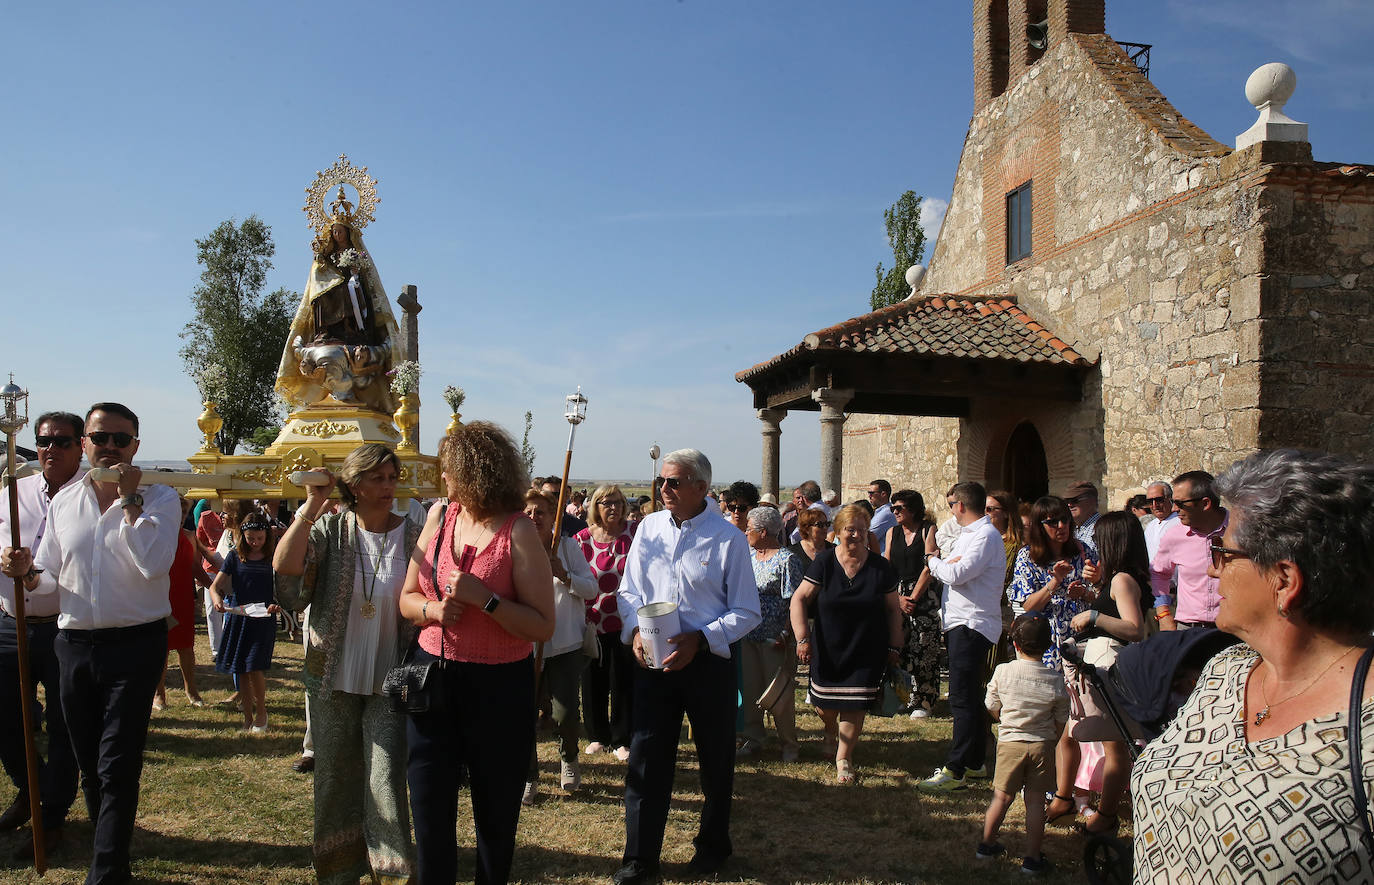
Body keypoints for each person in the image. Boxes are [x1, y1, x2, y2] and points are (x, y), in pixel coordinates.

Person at [1132, 449, 1374, 881]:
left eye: (1223, 552)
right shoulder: (1226, 671)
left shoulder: (1366, 732)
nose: (1211, 569)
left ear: (1284, 580)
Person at [2, 402, 179, 883]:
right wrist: (26, 573)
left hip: (136, 645)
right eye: (100, 438)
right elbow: (51, 577)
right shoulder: (63, 502)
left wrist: (127, 500)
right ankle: (115, 865)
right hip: (74, 643)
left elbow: (153, 564)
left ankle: (102, 875)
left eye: (121, 440)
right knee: (90, 767)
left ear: (136, 446)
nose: (110, 448)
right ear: (86, 444)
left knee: (117, 764)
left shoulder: (161, 498)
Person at [396, 422, 555, 885]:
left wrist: (486, 599)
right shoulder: (439, 516)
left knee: (495, 814)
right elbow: (406, 597)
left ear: (472, 473)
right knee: (428, 808)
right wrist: (432, 609)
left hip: (498, 686)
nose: (443, 480)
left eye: (449, 471)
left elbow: (543, 624)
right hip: (431, 679)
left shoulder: (518, 531)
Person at [612, 449, 760, 885]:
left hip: (707, 665)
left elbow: (746, 610)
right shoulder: (649, 529)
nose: (664, 489)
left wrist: (703, 638)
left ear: (701, 487)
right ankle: (639, 860)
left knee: (715, 760)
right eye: (663, 481)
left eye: (674, 482)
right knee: (647, 759)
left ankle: (713, 847)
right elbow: (629, 591)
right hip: (653, 661)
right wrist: (634, 632)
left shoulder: (727, 538)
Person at [274, 443, 419, 885]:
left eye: (392, 477)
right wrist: (312, 507)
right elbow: (286, 569)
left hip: (394, 676)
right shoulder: (331, 531)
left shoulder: (414, 536)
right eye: (378, 478)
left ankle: (392, 872)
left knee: (385, 777)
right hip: (332, 672)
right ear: (354, 485)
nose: (389, 487)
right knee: (334, 775)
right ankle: (339, 871)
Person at [0, 411, 84, 855]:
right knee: (6, 719)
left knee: (65, 725)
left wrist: (31, 574)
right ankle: (26, 789)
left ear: (80, 447)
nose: (51, 449)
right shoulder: (12, 492)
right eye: (44, 441)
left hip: (63, 626)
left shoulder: (90, 496)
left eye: (63, 442)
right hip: (9, 623)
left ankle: (50, 813)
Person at [1052, 511, 1150, 836]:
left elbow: (1133, 628)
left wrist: (1094, 615)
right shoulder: (1120, 578)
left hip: (1110, 668)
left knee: (1114, 746)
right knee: (1073, 735)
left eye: (1099, 540)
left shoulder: (1122, 579)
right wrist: (1094, 594)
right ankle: (1066, 798)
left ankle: (1105, 816)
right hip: (1101, 668)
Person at [791, 504, 901, 783]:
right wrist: (802, 638)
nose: (856, 535)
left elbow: (892, 609)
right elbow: (800, 599)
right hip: (828, 645)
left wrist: (895, 645)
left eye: (862, 530)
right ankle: (830, 727)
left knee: (855, 704)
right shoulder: (824, 563)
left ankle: (844, 758)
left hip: (867, 647)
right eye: (850, 530)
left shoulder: (880, 567)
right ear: (837, 532)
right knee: (824, 704)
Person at [919, 481, 1005, 792]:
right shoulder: (972, 535)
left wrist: (932, 560)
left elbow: (955, 573)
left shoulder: (984, 536)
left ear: (961, 506)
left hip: (971, 624)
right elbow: (954, 567)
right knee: (968, 696)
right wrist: (945, 563)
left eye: (953, 504)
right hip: (961, 622)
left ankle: (955, 769)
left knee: (962, 699)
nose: (952, 510)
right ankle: (974, 761)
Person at [275, 206, 402, 414]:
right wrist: (319, 258)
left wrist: (353, 273)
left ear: (348, 232)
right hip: (330, 298)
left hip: (352, 295)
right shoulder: (327, 253)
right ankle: (326, 332)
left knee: (347, 292)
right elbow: (317, 276)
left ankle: (350, 330)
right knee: (325, 295)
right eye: (334, 231)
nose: (337, 234)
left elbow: (366, 281)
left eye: (340, 230)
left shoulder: (356, 253)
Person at [977, 614, 1069, 876]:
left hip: (1010, 742)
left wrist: (1003, 719)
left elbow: (991, 704)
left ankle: (986, 844)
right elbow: (1062, 718)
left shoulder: (1003, 671)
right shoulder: (1054, 679)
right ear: (1048, 645)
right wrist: (1052, 736)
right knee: (1036, 802)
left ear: (1014, 643)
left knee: (1001, 797)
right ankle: (1031, 859)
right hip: (1041, 745)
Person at [522, 489, 597, 803]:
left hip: (564, 643)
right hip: (525, 644)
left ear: (553, 517)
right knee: (522, 714)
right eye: (527, 512)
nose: (534, 518)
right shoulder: (515, 549)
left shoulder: (567, 547)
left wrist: (564, 575)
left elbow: (591, 588)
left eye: (540, 512)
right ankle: (528, 776)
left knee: (565, 714)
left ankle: (569, 757)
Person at [737, 506, 803, 761]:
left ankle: (789, 744)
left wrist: (787, 633)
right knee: (751, 691)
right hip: (748, 635)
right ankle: (753, 739)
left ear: (763, 532)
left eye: (749, 529)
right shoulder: (750, 558)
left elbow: (795, 600)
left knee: (779, 694)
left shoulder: (787, 560)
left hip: (775, 638)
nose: (745, 533)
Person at [577, 484, 637, 763]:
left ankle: (621, 737)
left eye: (617, 502)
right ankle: (597, 735)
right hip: (590, 622)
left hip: (624, 622)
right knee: (592, 682)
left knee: (622, 681)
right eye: (606, 503)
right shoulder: (581, 540)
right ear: (595, 508)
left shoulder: (634, 534)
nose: (613, 507)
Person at [1006, 496, 1096, 671]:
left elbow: (1100, 596)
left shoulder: (1083, 550)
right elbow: (1029, 606)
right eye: (1053, 522)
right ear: (1040, 526)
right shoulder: (1027, 557)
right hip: (1047, 644)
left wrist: (1085, 593)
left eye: (1065, 519)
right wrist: (1055, 582)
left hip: (1082, 640)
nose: (1061, 526)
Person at [210, 513, 280, 732]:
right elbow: (215, 586)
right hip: (239, 617)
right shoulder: (234, 556)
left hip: (262, 619)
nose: (256, 543)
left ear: (266, 537)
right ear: (243, 536)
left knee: (255, 667)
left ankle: (262, 713)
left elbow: (283, 588)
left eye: (260, 538)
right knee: (241, 669)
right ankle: (247, 717)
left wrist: (276, 604)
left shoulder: (273, 557)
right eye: (251, 539)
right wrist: (217, 600)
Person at [883, 490, 941, 719]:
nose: (895, 512)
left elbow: (930, 565)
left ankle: (924, 700)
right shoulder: (892, 532)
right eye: (892, 508)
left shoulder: (928, 530)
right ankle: (901, 696)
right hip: (897, 594)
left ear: (914, 509)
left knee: (925, 647)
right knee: (900, 647)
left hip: (923, 596)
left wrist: (914, 598)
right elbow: (887, 565)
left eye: (899, 508)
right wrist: (897, 598)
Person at [1149, 470, 1227, 631]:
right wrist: (1163, 613)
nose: (1174, 509)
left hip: (1233, 629)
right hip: (1189, 628)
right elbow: (1158, 573)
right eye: (1173, 502)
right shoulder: (1174, 535)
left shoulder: (1240, 531)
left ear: (1205, 504)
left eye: (1180, 503)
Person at [154, 495, 211, 711]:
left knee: (186, 646)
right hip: (161, 596)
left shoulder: (188, 536)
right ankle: (159, 694)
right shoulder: (156, 535)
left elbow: (194, 566)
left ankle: (191, 690)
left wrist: (211, 586)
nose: (181, 516)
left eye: (184, 513)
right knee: (162, 648)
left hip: (183, 597)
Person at [1063, 480, 1101, 560]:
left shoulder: (1102, 528)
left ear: (1091, 501)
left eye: (1074, 500)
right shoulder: (1071, 529)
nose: (1069, 505)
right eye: (1067, 501)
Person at [786, 506, 831, 570]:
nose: (825, 528)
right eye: (820, 525)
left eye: (827, 524)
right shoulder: (793, 553)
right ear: (806, 528)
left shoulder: (833, 550)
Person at [867, 479, 896, 553]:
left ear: (883, 494)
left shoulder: (886, 514)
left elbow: (866, 538)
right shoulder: (881, 512)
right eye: (868, 493)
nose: (869, 496)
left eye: (872, 493)